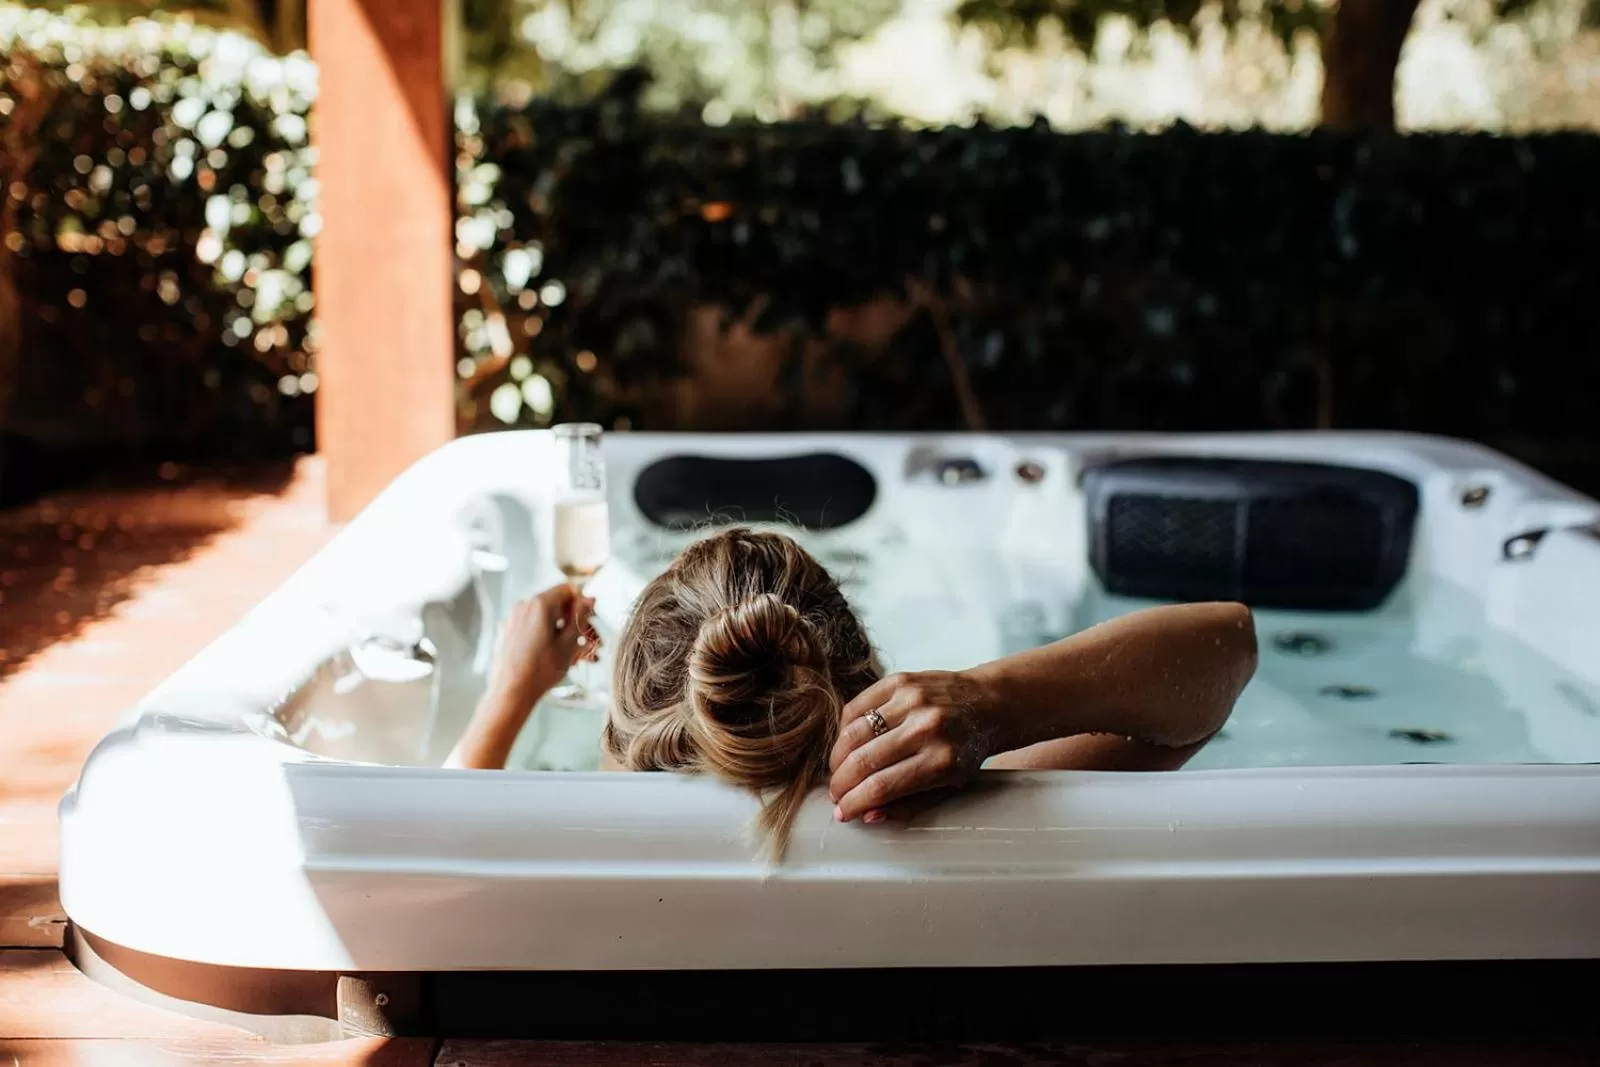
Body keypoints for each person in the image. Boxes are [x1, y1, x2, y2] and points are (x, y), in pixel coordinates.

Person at [447, 527, 1258, 858]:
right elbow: (1225, 652)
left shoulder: (565, 851)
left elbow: (413, 842)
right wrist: (994, 700)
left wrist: (508, 695)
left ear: (625, 738)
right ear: (868, 677)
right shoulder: (981, 825)